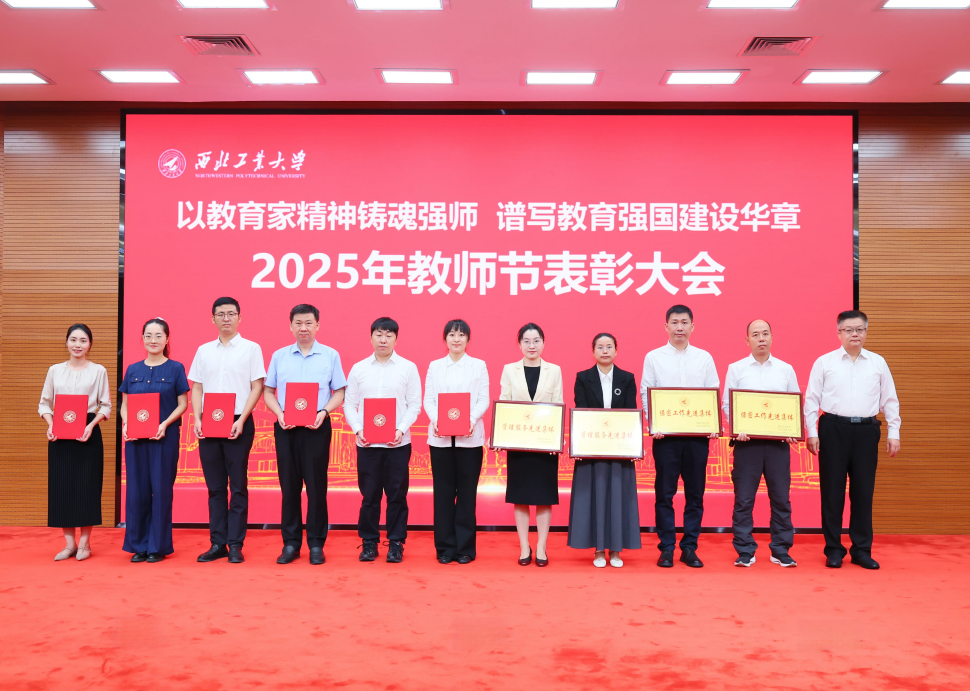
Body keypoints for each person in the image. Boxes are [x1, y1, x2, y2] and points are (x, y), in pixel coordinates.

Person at [804, 310, 900, 570]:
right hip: (833, 429)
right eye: (848, 330)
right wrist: (811, 432)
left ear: (866, 332)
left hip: (867, 431)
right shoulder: (824, 362)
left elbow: (890, 400)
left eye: (859, 329)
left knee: (863, 493)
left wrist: (894, 432)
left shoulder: (878, 362)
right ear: (839, 333)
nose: (854, 334)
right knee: (832, 493)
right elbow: (811, 399)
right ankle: (834, 550)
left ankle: (861, 550)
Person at [263, 304, 347, 566]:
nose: (303, 328)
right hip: (286, 428)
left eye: (308, 323)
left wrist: (324, 411)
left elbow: (339, 392)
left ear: (317, 325)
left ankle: (316, 543)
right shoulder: (279, 356)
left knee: (316, 487)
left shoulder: (330, 355)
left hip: (316, 428)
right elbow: (268, 392)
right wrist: (279, 413)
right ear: (290, 326)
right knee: (289, 487)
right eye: (298, 323)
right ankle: (290, 543)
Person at [640, 305, 720, 569]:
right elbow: (646, 393)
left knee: (695, 494)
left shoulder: (704, 358)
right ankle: (666, 548)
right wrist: (654, 423)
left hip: (697, 438)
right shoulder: (653, 357)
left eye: (684, 322)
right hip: (666, 438)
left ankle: (689, 548)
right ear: (666, 327)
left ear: (692, 327)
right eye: (674, 322)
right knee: (664, 493)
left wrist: (712, 423)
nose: (679, 327)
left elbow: (713, 392)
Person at [188, 297, 266, 564]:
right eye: (220, 314)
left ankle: (235, 544)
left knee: (239, 486)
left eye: (231, 314)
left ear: (239, 317)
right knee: (215, 487)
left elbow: (257, 386)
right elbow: (197, 387)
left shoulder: (251, 348)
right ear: (213, 319)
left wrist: (242, 419)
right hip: (209, 422)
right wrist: (197, 418)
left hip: (237, 422)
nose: (226, 318)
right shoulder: (203, 350)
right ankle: (217, 543)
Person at [721, 319, 801, 568]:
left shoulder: (786, 369)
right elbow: (727, 404)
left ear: (772, 337)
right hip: (747, 445)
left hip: (778, 446)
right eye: (755, 334)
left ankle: (781, 549)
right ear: (747, 340)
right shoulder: (736, 368)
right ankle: (745, 550)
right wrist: (738, 428)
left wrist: (792, 430)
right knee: (744, 500)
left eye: (765, 333)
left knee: (781, 499)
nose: (761, 338)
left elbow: (794, 404)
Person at [343, 317, 422, 564]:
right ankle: (369, 542)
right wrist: (358, 430)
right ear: (371, 338)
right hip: (367, 444)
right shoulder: (358, 369)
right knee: (369, 496)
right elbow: (349, 404)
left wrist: (400, 429)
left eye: (389, 335)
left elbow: (415, 405)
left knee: (397, 495)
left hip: (398, 444)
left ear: (396, 339)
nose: (383, 339)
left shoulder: (408, 368)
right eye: (379, 334)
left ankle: (396, 543)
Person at [39, 324, 112, 562]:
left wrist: (91, 426)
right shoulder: (54, 370)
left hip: (88, 433)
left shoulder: (99, 370)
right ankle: (69, 544)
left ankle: (85, 544)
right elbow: (44, 403)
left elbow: (106, 406)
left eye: (82, 340)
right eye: (73, 340)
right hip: (60, 433)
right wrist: (51, 424)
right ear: (66, 342)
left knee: (87, 488)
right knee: (63, 488)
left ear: (90, 344)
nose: (77, 345)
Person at [568, 333, 641, 568]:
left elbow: (630, 413)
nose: (605, 350)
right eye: (600, 347)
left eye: (609, 346)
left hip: (619, 447)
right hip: (592, 447)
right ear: (593, 351)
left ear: (616, 351)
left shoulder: (627, 378)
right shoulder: (583, 377)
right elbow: (581, 411)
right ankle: (599, 550)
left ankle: (616, 550)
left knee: (618, 496)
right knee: (595, 496)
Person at [119, 318, 189, 563]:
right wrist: (126, 423)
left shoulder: (176, 368)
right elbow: (125, 404)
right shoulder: (133, 369)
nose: (153, 340)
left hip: (164, 438)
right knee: (136, 492)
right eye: (148, 335)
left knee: (160, 492)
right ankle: (138, 545)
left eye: (159, 335)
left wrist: (164, 424)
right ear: (142, 339)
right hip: (135, 440)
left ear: (167, 339)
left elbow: (183, 404)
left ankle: (157, 547)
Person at [424, 319, 490, 565]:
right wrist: (437, 420)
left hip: (469, 441)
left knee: (466, 495)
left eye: (461, 335)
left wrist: (470, 419)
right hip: (440, 440)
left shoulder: (478, 366)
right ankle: (445, 548)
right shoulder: (435, 366)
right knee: (442, 495)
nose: (456, 339)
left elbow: (483, 398)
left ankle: (465, 549)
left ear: (468, 339)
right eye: (452, 334)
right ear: (445, 339)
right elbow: (429, 400)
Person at [499, 323, 564, 567]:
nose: (531, 345)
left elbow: (558, 404)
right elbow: (504, 403)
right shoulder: (510, 369)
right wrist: (500, 436)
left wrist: (557, 439)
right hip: (518, 444)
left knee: (544, 497)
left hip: (545, 444)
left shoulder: (554, 370)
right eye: (526, 341)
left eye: (536, 340)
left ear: (543, 343)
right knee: (521, 496)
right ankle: (524, 546)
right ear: (519, 344)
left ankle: (542, 547)